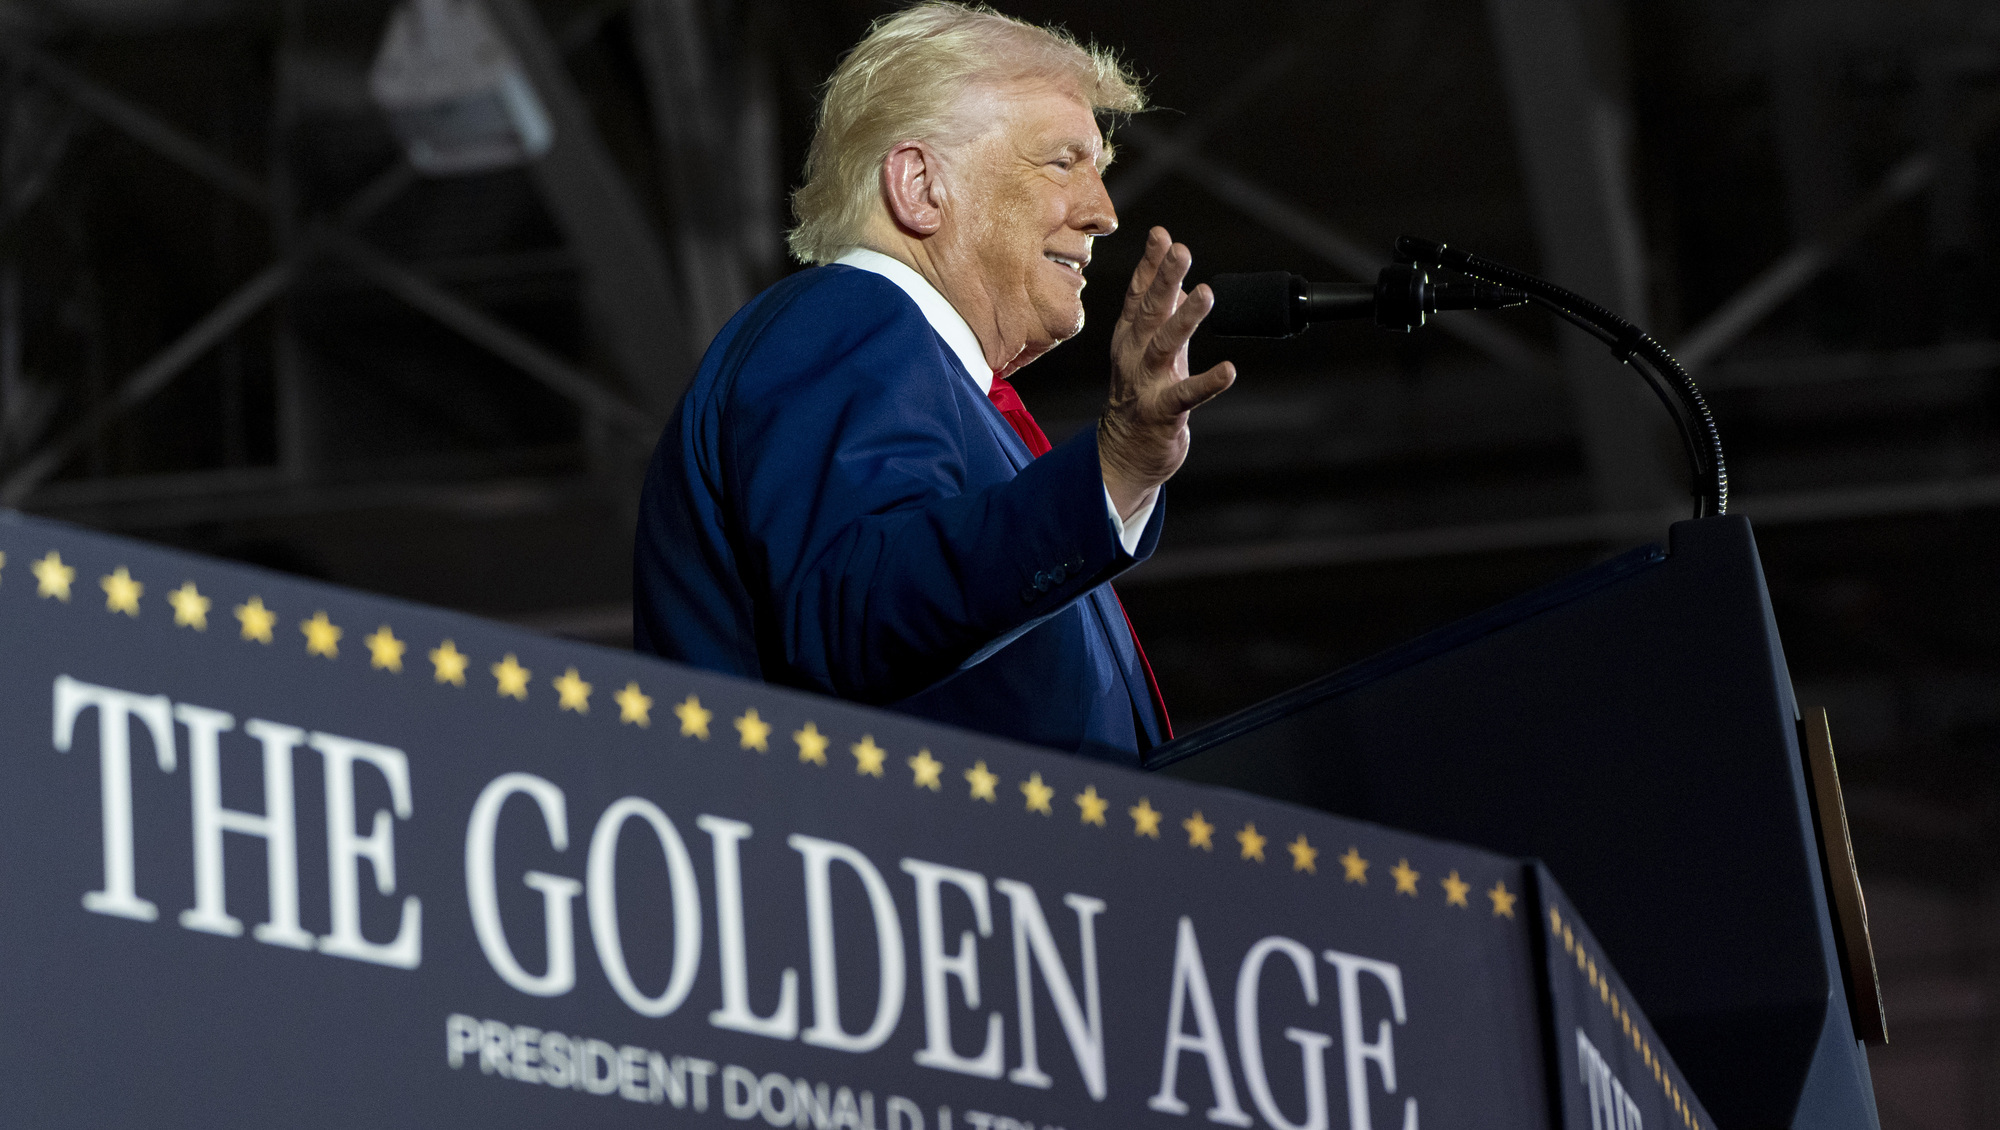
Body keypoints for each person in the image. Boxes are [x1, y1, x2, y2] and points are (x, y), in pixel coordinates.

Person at [633, 2, 1234, 764]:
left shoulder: (947, 390)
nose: (1105, 213)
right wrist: (1109, 472)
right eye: (1063, 162)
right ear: (920, 186)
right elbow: (859, 611)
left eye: (1100, 170)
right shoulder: (843, 317)